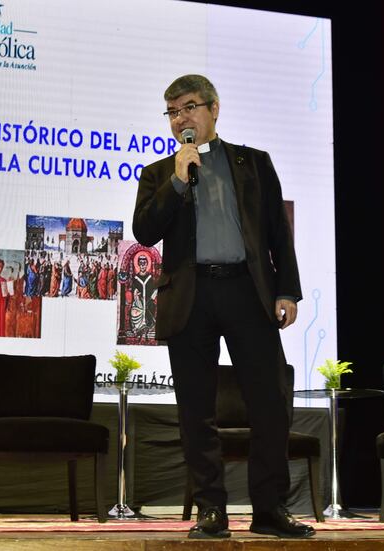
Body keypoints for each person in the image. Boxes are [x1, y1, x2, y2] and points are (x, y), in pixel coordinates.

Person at [132, 75, 312, 539]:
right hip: (191, 297)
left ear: (214, 108)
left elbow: (277, 233)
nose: (180, 119)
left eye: (188, 108)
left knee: (270, 403)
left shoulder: (253, 164)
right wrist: (176, 179)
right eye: (172, 112)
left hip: (246, 292)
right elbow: (145, 232)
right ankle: (211, 510)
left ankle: (270, 510)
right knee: (197, 410)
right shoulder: (158, 173)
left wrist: (287, 290)